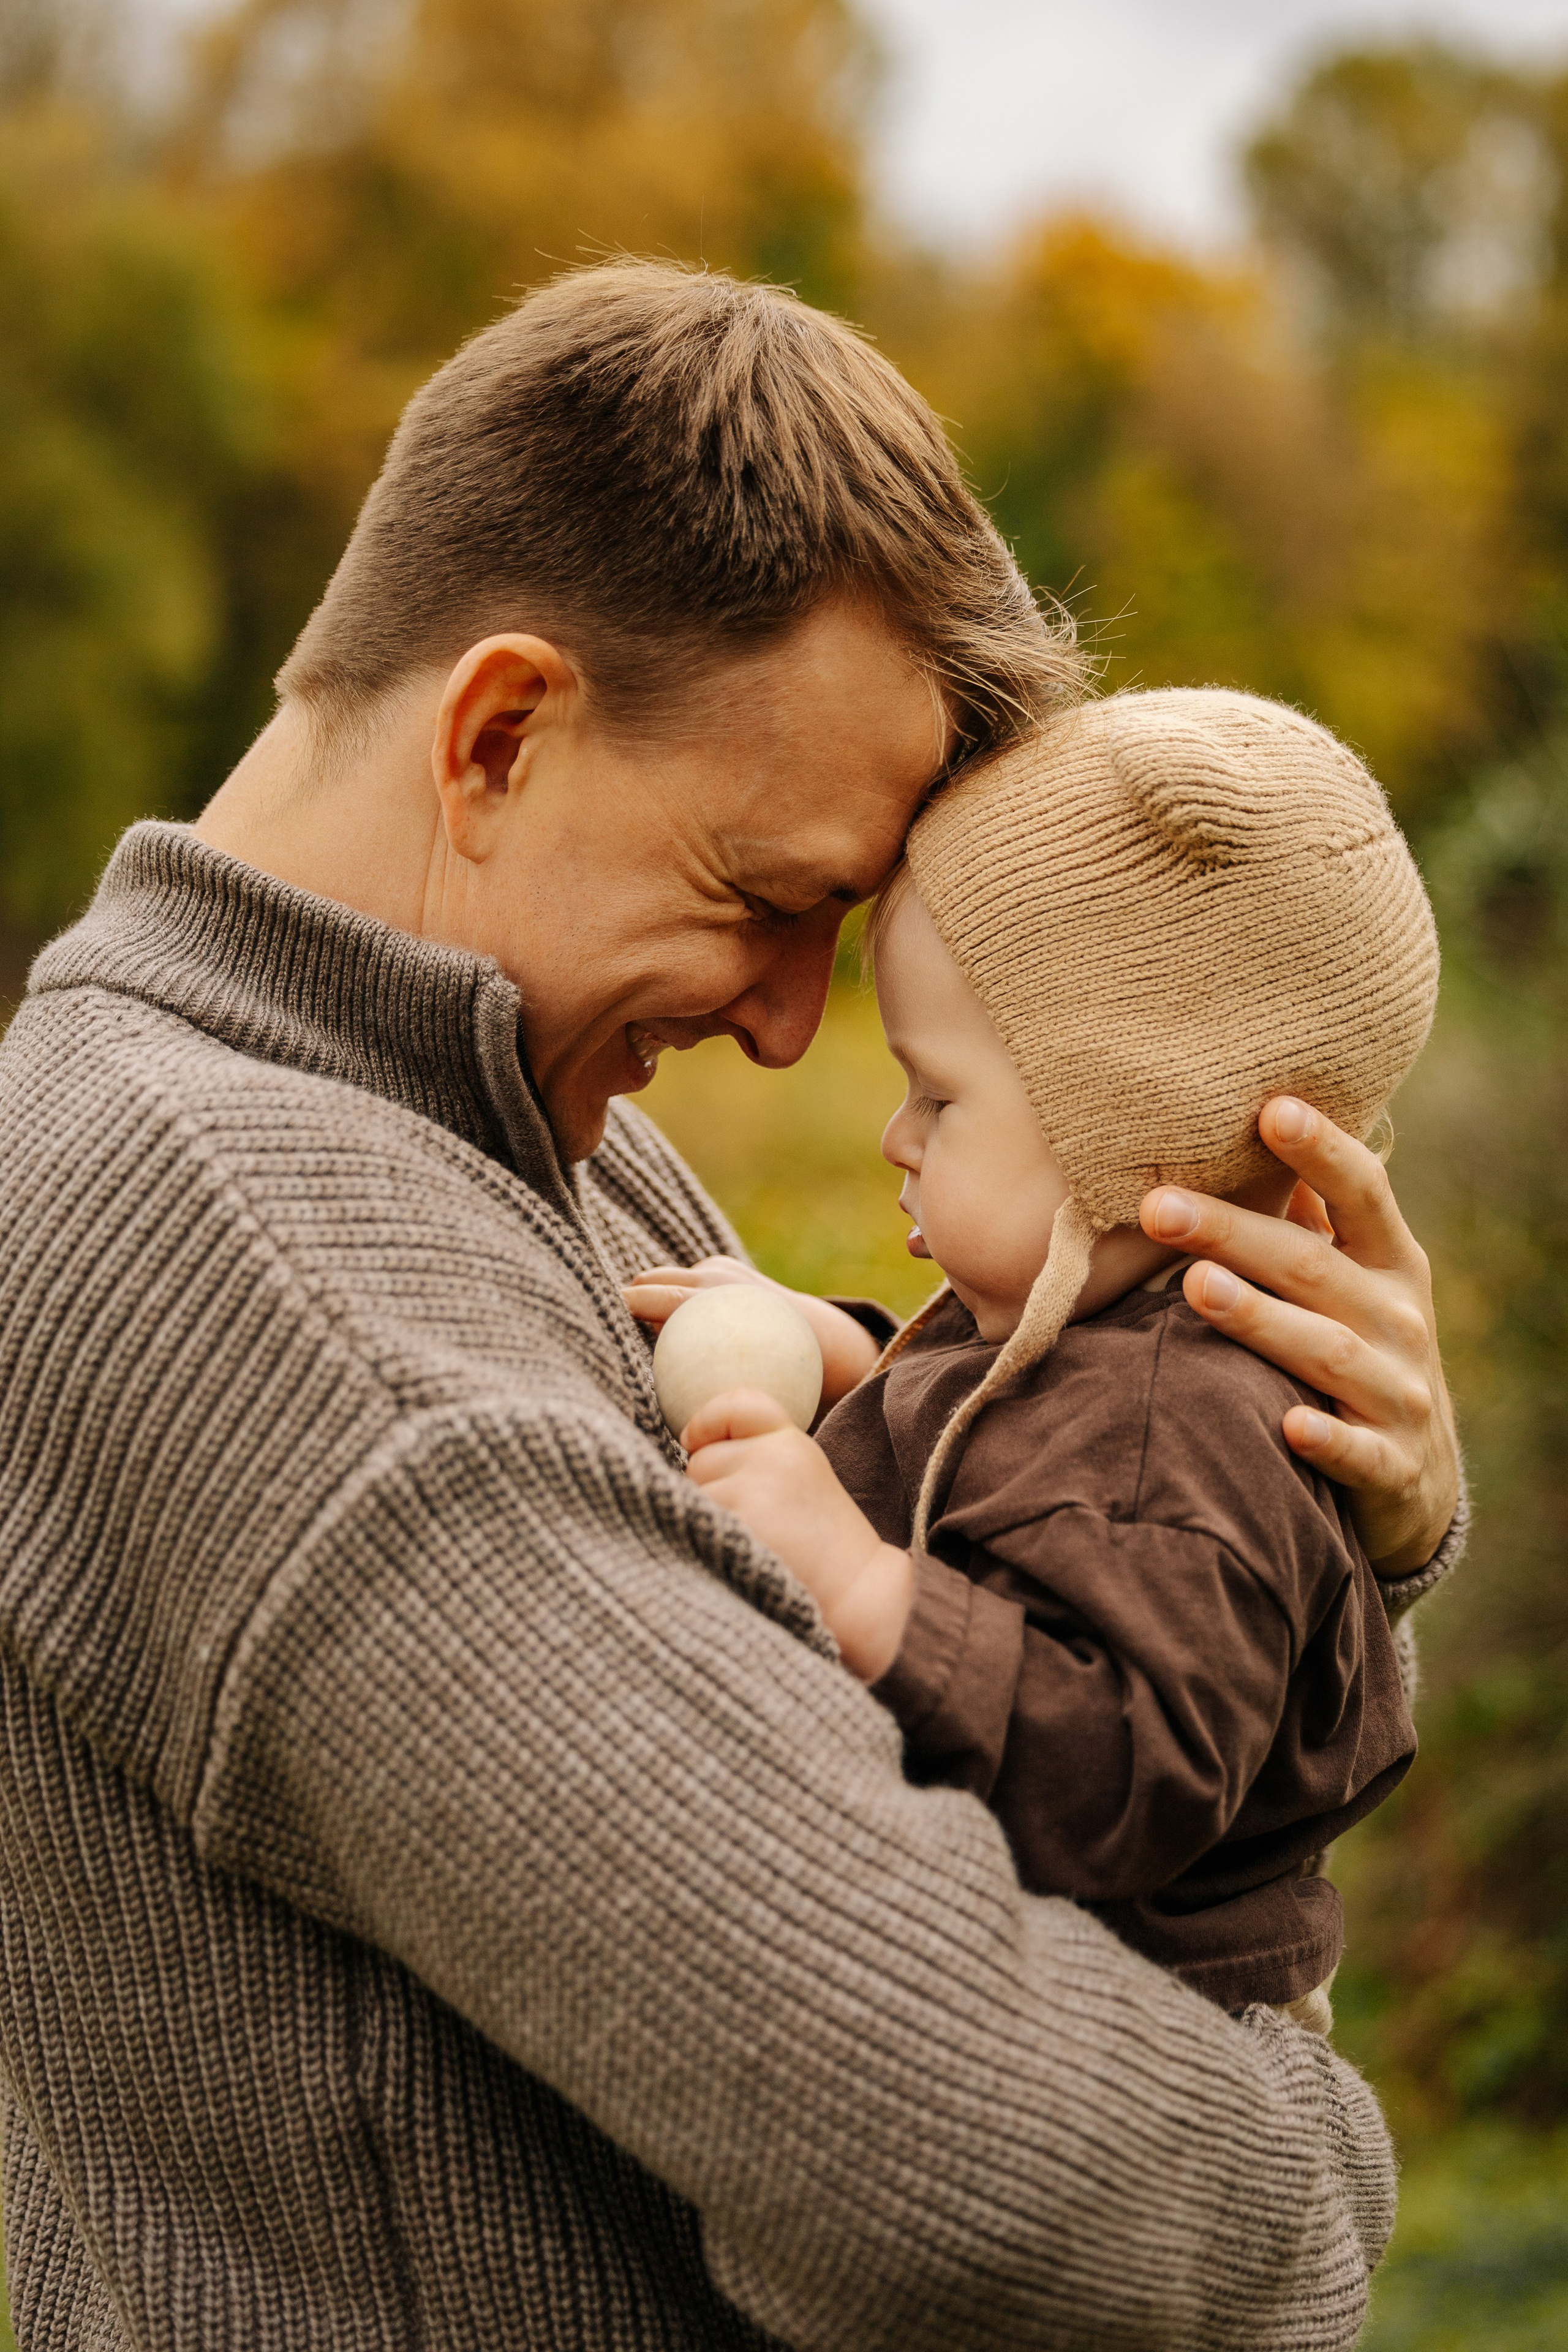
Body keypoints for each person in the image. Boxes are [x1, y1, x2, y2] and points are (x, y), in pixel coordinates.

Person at [0, 263, 1462, 2352]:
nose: (796, 1028)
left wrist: (1306, 1492)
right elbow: (983, 2179)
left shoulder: (497, 1113)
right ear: (498, 734)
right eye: (768, 902)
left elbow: (982, 1686)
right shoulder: (270, 1263)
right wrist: (1312, 2163)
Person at [638, 687, 1439, 2043]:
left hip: (1137, 2044)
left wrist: (859, 1585)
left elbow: (1129, 1763)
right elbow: (1012, 1461)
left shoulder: (1176, 1420)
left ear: (1138, 1138)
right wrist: (852, 1368)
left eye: (938, 1097)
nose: (897, 1136)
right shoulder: (1097, 1331)